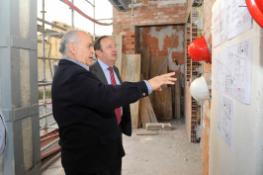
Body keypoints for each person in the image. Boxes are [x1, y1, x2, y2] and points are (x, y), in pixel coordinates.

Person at [52, 30, 176, 175]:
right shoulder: (73, 75)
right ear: (73, 48)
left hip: (104, 147)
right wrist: (146, 85)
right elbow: (107, 95)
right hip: (89, 158)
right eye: (89, 46)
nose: (92, 51)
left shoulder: (72, 71)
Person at [90, 36, 131, 174]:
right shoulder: (90, 72)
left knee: (115, 167)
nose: (115, 49)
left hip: (116, 129)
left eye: (115, 46)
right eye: (109, 47)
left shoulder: (115, 70)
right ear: (98, 52)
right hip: (99, 133)